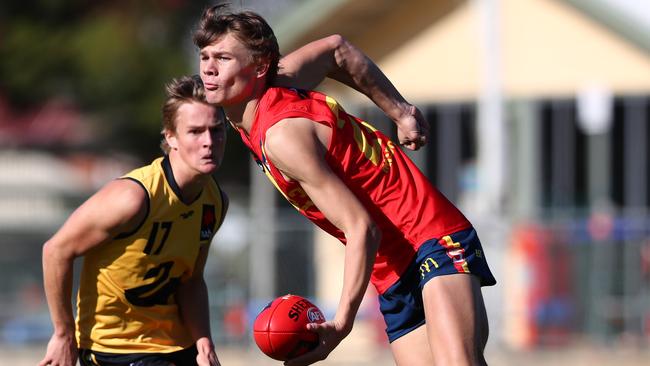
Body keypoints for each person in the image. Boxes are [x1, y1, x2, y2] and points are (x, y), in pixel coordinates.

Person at [193, 5, 497, 366]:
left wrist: (342, 321)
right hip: (391, 269)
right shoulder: (273, 88)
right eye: (205, 56)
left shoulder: (281, 135)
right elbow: (337, 50)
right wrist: (399, 111)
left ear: (259, 67)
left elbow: (361, 228)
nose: (209, 68)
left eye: (224, 57)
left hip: (429, 235)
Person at [39, 75, 228, 366]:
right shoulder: (134, 197)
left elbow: (190, 281)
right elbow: (56, 251)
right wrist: (63, 335)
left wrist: (204, 342)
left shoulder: (215, 201)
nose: (208, 142)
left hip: (175, 346)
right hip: (115, 349)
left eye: (216, 130)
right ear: (171, 138)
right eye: (195, 131)